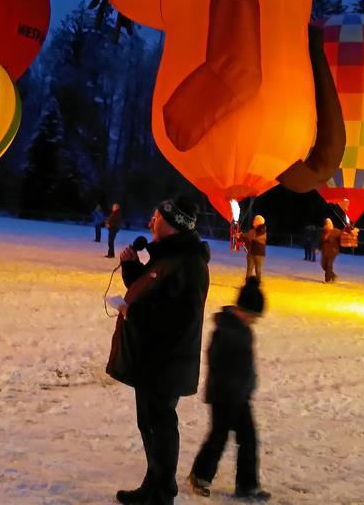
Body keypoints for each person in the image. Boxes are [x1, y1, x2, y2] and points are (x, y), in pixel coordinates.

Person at [106, 196, 211, 505]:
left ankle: (162, 493)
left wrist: (133, 313)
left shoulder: (189, 264)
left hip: (167, 360)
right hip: (151, 357)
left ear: (174, 224)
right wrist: (130, 269)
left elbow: (182, 316)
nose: (150, 222)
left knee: (160, 424)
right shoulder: (168, 257)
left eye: (156, 217)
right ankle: (153, 487)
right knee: (149, 423)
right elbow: (152, 291)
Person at [188, 277, 271, 501]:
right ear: (242, 310)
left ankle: (247, 484)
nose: (254, 321)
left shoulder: (243, 330)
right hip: (224, 395)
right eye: (253, 316)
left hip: (240, 395)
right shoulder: (225, 330)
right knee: (219, 436)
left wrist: (248, 384)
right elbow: (216, 362)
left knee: (249, 439)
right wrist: (232, 385)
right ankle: (200, 475)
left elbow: (245, 364)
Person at [239, 216, 267, 282]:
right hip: (251, 253)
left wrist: (241, 235)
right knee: (250, 269)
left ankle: (257, 283)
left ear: (259, 222)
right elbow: (248, 237)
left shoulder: (262, 230)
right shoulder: (254, 230)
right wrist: (241, 236)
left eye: (255, 220)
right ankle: (248, 284)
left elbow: (251, 236)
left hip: (259, 254)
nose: (253, 221)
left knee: (258, 270)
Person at [320, 218, 342, 283]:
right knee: (324, 265)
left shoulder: (336, 231)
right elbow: (320, 241)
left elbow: (342, 235)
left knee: (329, 264)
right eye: (326, 223)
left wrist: (349, 230)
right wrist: (318, 248)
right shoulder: (323, 231)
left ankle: (327, 280)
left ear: (331, 224)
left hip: (333, 250)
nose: (327, 225)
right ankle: (333, 276)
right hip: (325, 251)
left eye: (329, 223)